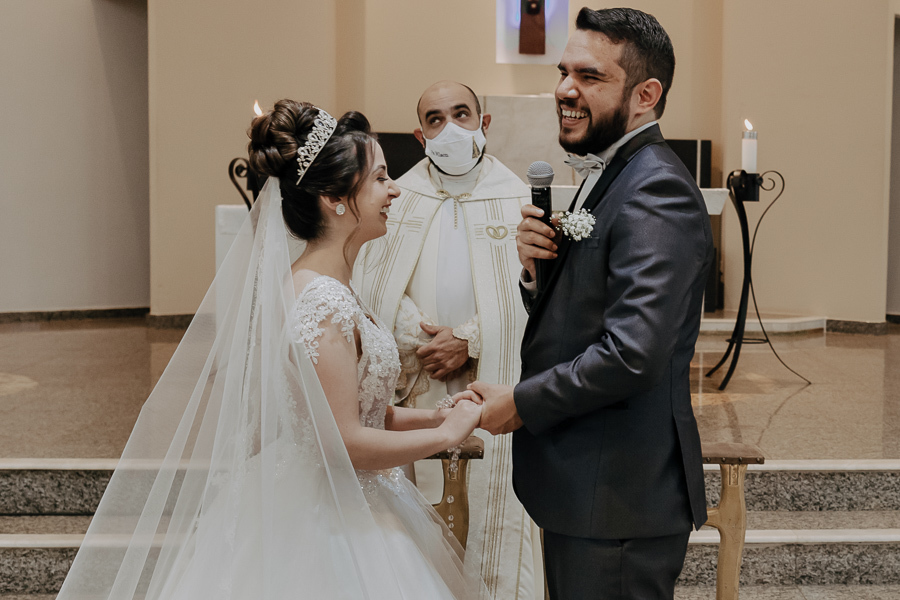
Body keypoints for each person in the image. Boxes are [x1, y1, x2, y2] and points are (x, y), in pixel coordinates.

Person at [57, 100, 489, 599]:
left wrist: (439, 416)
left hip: (341, 494)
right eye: (380, 178)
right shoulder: (322, 300)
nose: (394, 190)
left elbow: (355, 413)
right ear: (335, 198)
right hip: (328, 521)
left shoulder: (327, 287)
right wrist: (446, 436)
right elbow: (345, 443)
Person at [470, 8, 713, 600]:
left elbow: (634, 353)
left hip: (620, 502)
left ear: (645, 94)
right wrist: (541, 275)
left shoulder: (653, 186)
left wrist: (522, 403)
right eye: (563, 72)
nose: (564, 90)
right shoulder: (616, 171)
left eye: (590, 77)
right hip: (595, 492)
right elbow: (596, 316)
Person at [353, 81, 539, 599]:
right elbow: (369, 285)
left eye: (462, 114)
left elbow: (535, 299)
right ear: (420, 134)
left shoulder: (518, 197)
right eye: (436, 119)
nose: (450, 127)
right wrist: (420, 336)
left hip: (494, 392)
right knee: (420, 543)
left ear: (485, 122)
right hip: (418, 392)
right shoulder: (397, 196)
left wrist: (469, 337)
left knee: (490, 524)